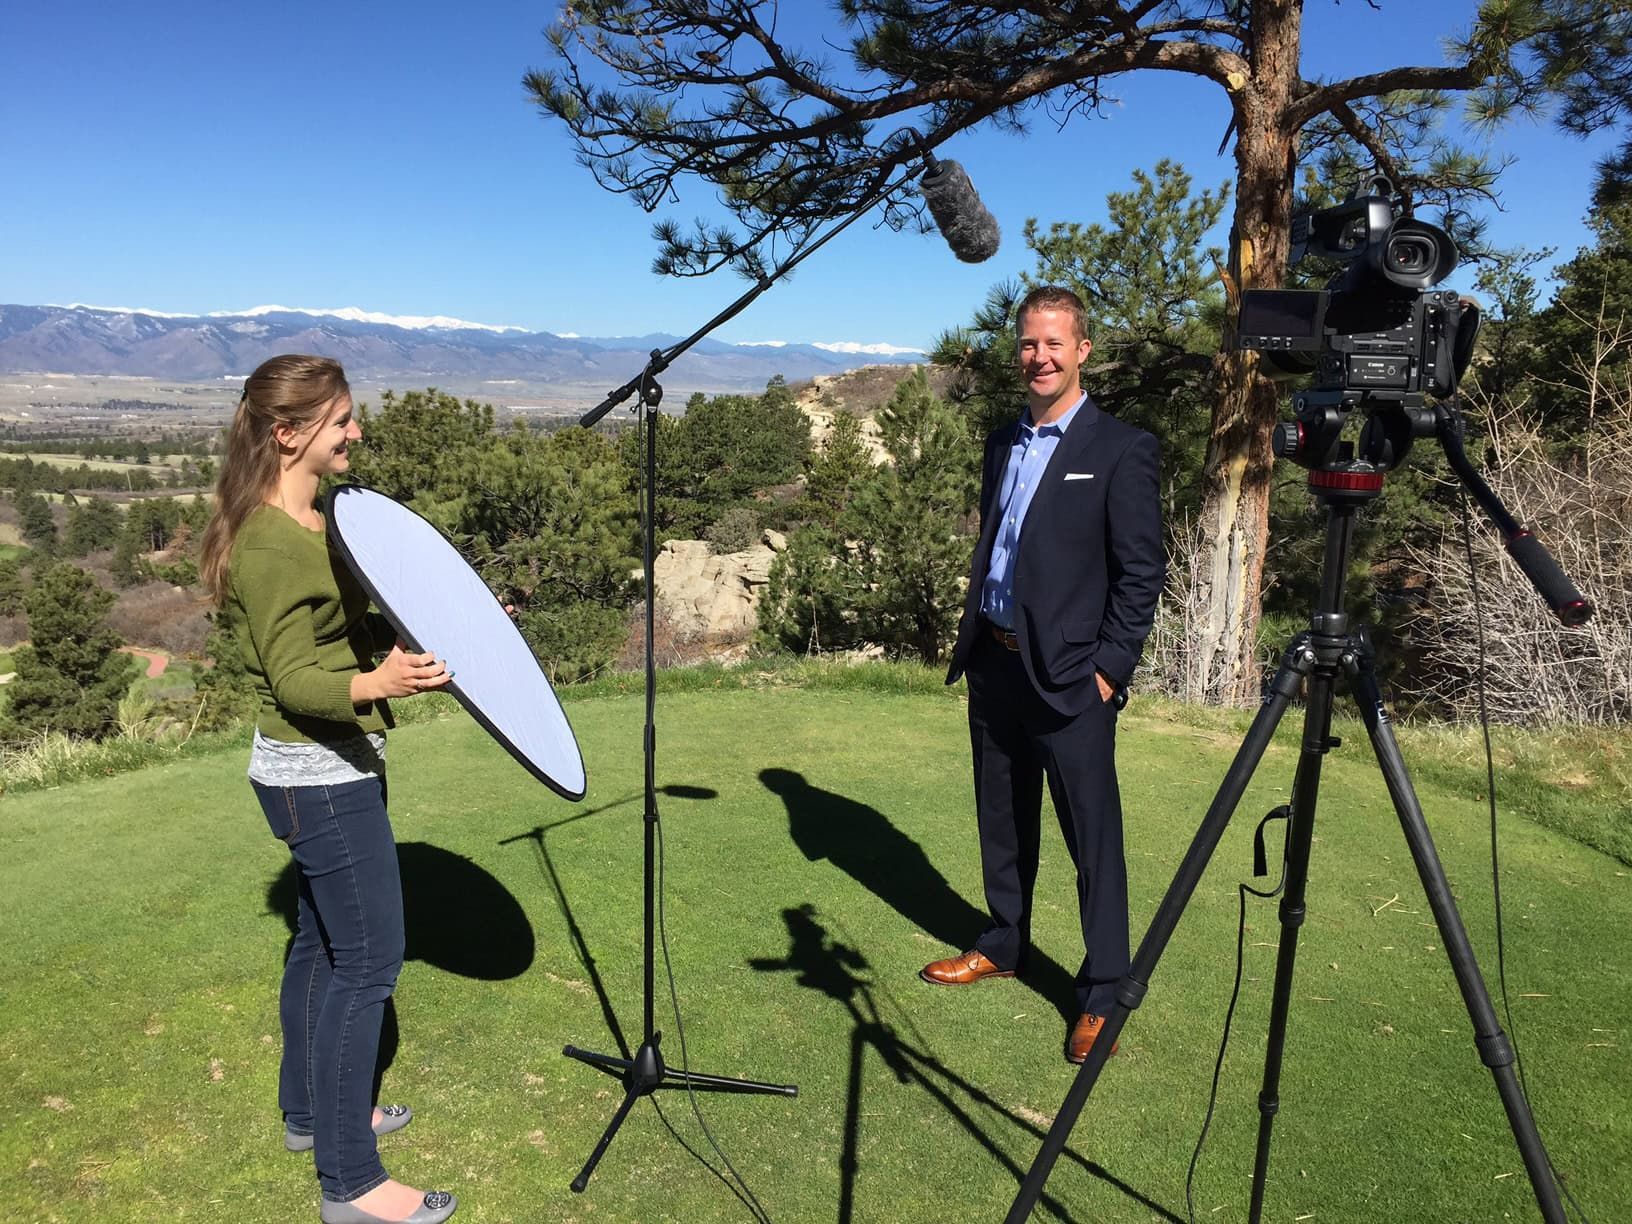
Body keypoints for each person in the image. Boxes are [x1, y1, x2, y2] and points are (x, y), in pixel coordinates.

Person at [199, 354, 459, 1224]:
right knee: (370, 965)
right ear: (289, 433)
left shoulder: (321, 516)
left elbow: (353, 624)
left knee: (318, 948)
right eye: (342, 420)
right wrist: (378, 685)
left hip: (327, 769)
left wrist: (455, 631)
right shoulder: (271, 541)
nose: (356, 432)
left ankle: (314, 1117)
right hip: (319, 777)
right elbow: (295, 677)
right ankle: (351, 1181)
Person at [922, 286, 1164, 1064]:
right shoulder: (1002, 441)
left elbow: (1140, 572)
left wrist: (1109, 671)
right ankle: (1003, 941)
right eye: (1029, 343)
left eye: (1055, 343)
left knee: (1093, 839)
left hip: (1070, 680)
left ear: (1083, 350)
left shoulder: (1121, 448)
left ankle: (1102, 994)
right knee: (1002, 817)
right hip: (994, 663)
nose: (1040, 357)